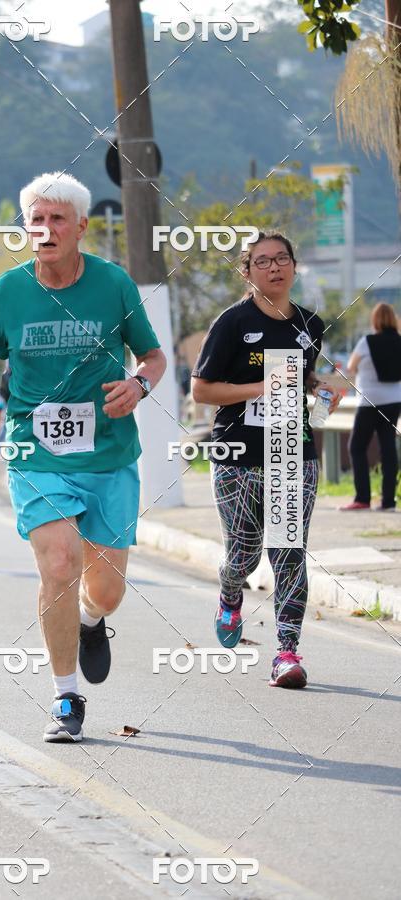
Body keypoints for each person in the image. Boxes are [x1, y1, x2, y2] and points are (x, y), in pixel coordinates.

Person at [0, 172, 166, 742]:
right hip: (36, 450)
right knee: (59, 563)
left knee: (106, 590)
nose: (46, 228)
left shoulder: (113, 284)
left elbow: (152, 357)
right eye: (37, 219)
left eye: (57, 219)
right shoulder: (6, 290)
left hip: (108, 452)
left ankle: (90, 620)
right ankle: (65, 698)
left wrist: (139, 386)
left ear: (80, 227)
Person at [192, 232, 340, 689]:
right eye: (262, 261)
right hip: (236, 454)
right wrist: (262, 388)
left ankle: (287, 653)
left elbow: (306, 373)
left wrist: (320, 389)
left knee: (289, 554)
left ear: (294, 266)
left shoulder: (311, 324)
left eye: (282, 259)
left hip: (292, 451)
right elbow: (201, 390)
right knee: (243, 553)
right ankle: (230, 593)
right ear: (248, 272)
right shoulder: (233, 323)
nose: (274, 268)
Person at [342, 302, 401, 511]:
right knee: (388, 448)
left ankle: (362, 498)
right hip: (394, 400)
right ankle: (388, 501)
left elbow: (350, 366)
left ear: (374, 320)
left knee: (357, 447)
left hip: (369, 401)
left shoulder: (366, 342)